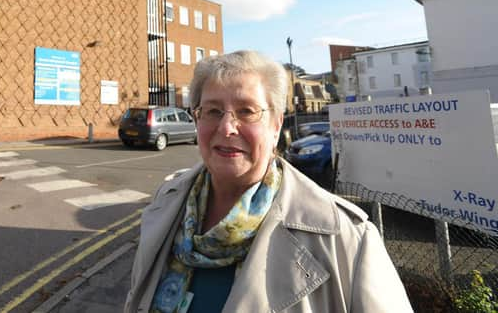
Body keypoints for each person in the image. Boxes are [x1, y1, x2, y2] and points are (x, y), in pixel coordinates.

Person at [124, 50, 412, 313]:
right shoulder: (167, 201)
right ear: (197, 119)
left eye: (247, 111)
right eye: (212, 111)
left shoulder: (346, 238)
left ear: (276, 125)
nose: (227, 128)